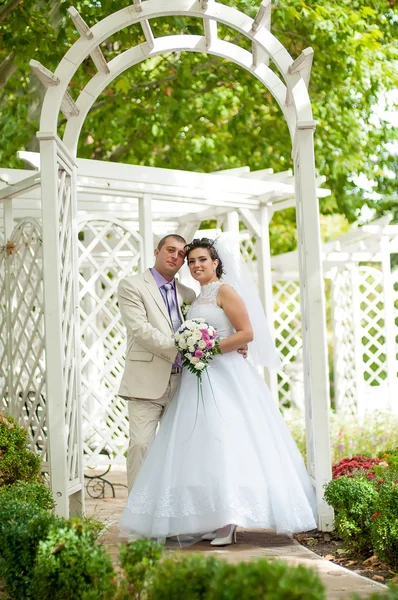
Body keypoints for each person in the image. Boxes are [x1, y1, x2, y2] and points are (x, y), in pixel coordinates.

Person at [119, 236, 317, 545]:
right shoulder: (192, 297)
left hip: (221, 376)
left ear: (216, 263)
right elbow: (151, 331)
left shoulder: (224, 291)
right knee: (190, 450)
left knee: (226, 442)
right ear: (157, 252)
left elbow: (246, 332)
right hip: (190, 378)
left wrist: (207, 350)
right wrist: (191, 348)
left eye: (200, 259)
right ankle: (198, 518)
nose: (194, 264)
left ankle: (229, 520)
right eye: (191, 260)